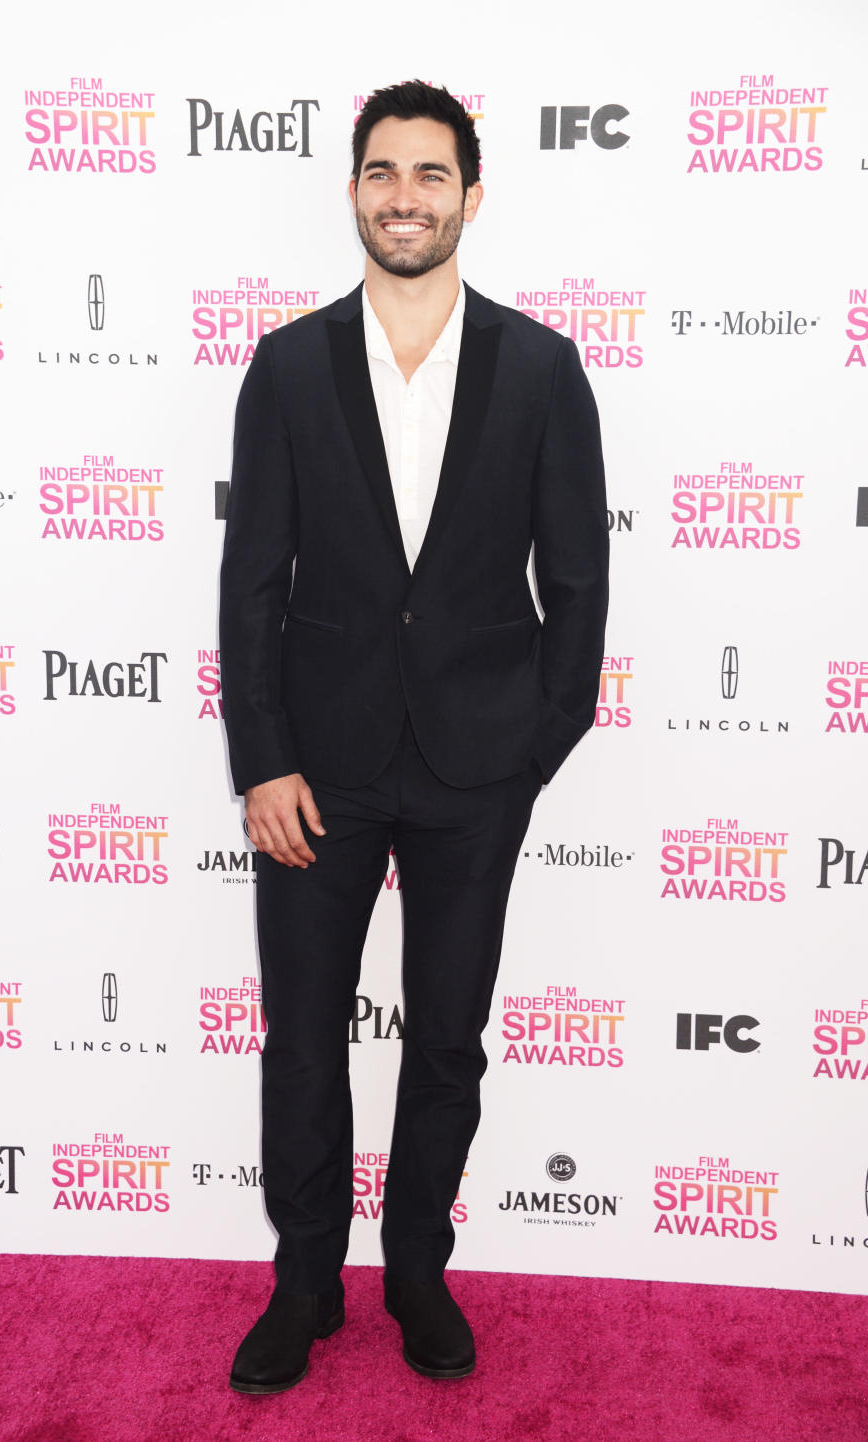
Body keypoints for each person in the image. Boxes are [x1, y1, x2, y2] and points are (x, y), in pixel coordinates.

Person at [219, 80, 608, 1393]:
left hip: (475, 769)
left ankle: (418, 1268)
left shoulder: (545, 369)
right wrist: (263, 757)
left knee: (446, 1033)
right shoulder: (285, 366)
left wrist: (530, 750)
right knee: (302, 1030)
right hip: (312, 775)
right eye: (382, 172)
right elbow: (251, 586)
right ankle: (305, 1283)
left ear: (471, 196)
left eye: (430, 174)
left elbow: (579, 591)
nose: (404, 195)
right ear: (353, 192)